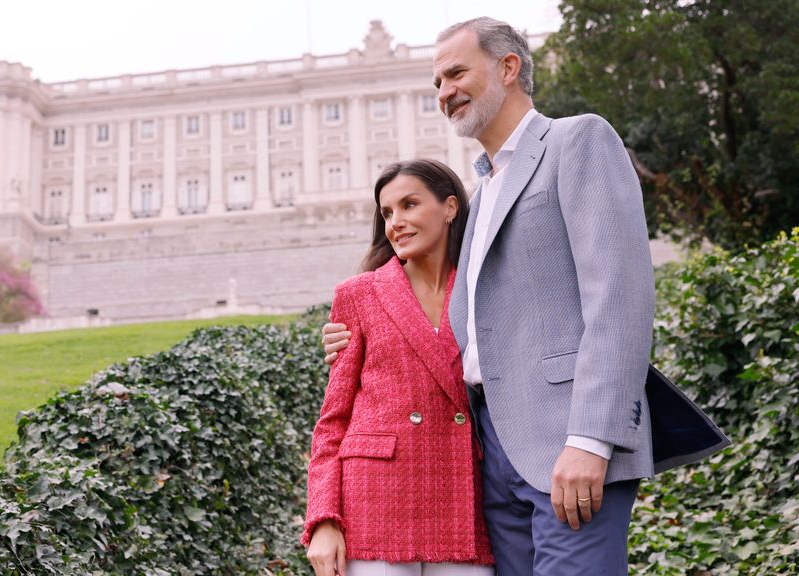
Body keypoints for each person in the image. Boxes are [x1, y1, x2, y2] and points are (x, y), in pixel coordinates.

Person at [321, 17, 728, 576]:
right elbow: (474, 316)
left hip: (569, 438)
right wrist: (360, 336)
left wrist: (591, 438)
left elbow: (620, 299)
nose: (444, 93)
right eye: (437, 82)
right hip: (492, 451)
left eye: (457, 74)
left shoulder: (576, 140)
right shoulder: (482, 190)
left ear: (508, 68)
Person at [303, 159, 495, 576]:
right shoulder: (358, 295)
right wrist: (323, 519)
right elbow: (332, 421)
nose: (397, 222)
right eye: (387, 213)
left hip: (462, 496)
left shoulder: (484, 287)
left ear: (450, 207)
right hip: (373, 501)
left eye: (409, 205)